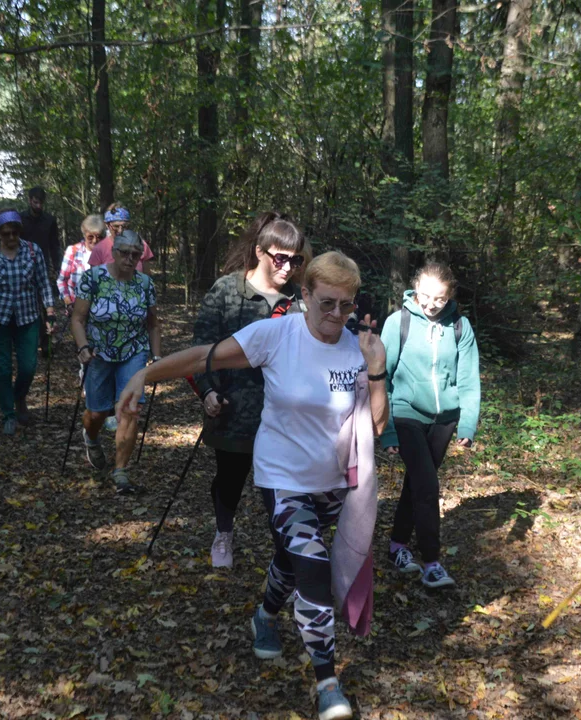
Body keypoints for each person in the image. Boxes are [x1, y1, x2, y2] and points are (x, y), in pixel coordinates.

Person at [118, 251, 387, 720]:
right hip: (282, 477)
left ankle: (264, 617)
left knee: (290, 559)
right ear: (304, 295)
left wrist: (377, 369)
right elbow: (205, 357)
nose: (336, 316)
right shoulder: (276, 335)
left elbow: (377, 426)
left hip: (332, 484)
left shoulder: (356, 346)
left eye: (346, 305)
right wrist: (144, 373)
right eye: (327, 303)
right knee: (312, 564)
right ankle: (327, 683)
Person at [191, 211, 311, 568]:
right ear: (260, 252)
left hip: (285, 417)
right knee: (230, 480)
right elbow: (202, 347)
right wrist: (208, 392)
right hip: (234, 413)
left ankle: (286, 556)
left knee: (283, 491)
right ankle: (224, 534)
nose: (288, 267)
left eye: (296, 260)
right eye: (281, 258)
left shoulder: (300, 302)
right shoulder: (228, 291)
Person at [379, 261, 480, 589]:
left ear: (450, 295)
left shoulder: (460, 327)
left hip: (444, 420)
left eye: (439, 298)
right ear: (414, 288)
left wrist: (466, 424)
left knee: (417, 484)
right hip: (406, 413)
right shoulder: (399, 322)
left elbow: (467, 380)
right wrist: (388, 428)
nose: (430, 303)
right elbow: (382, 379)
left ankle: (396, 546)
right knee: (427, 487)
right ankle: (432, 562)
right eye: (424, 295)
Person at [70, 230, 161, 493]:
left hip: (133, 352)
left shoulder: (145, 284)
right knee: (97, 412)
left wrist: (156, 357)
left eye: (136, 254)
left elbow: (153, 324)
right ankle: (92, 437)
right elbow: (78, 318)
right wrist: (83, 347)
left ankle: (120, 471)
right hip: (99, 354)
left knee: (130, 409)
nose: (131, 258)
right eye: (126, 253)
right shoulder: (94, 278)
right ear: (114, 252)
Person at [0, 209, 57, 436]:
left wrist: (50, 311)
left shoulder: (32, 251)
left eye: (15, 233)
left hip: (28, 318)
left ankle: (19, 396)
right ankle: (8, 413)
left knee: (28, 367)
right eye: (6, 233)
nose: (11, 237)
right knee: (3, 369)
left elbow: (43, 283)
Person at [57, 214, 106, 312]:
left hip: (102, 310)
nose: (95, 240)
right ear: (84, 235)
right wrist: (68, 302)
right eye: (90, 237)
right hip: (77, 309)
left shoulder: (108, 254)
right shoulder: (73, 251)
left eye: (99, 237)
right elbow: (61, 281)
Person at [88, 203, 154, 272]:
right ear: (107, 225)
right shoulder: (99, 249)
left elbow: (147, 277)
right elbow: (93, 279)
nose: (120, 230)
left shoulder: (142, 245)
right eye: (116, 226)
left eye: (124, 226)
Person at [20, 186, 62, 278]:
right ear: (30, 200)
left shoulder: (50, 220)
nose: (39, 206)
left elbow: (54, 245)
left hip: (43, 262)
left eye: (41, 203)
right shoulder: (20, 218)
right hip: (23, 261)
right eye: (36, 202)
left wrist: (57, 266)